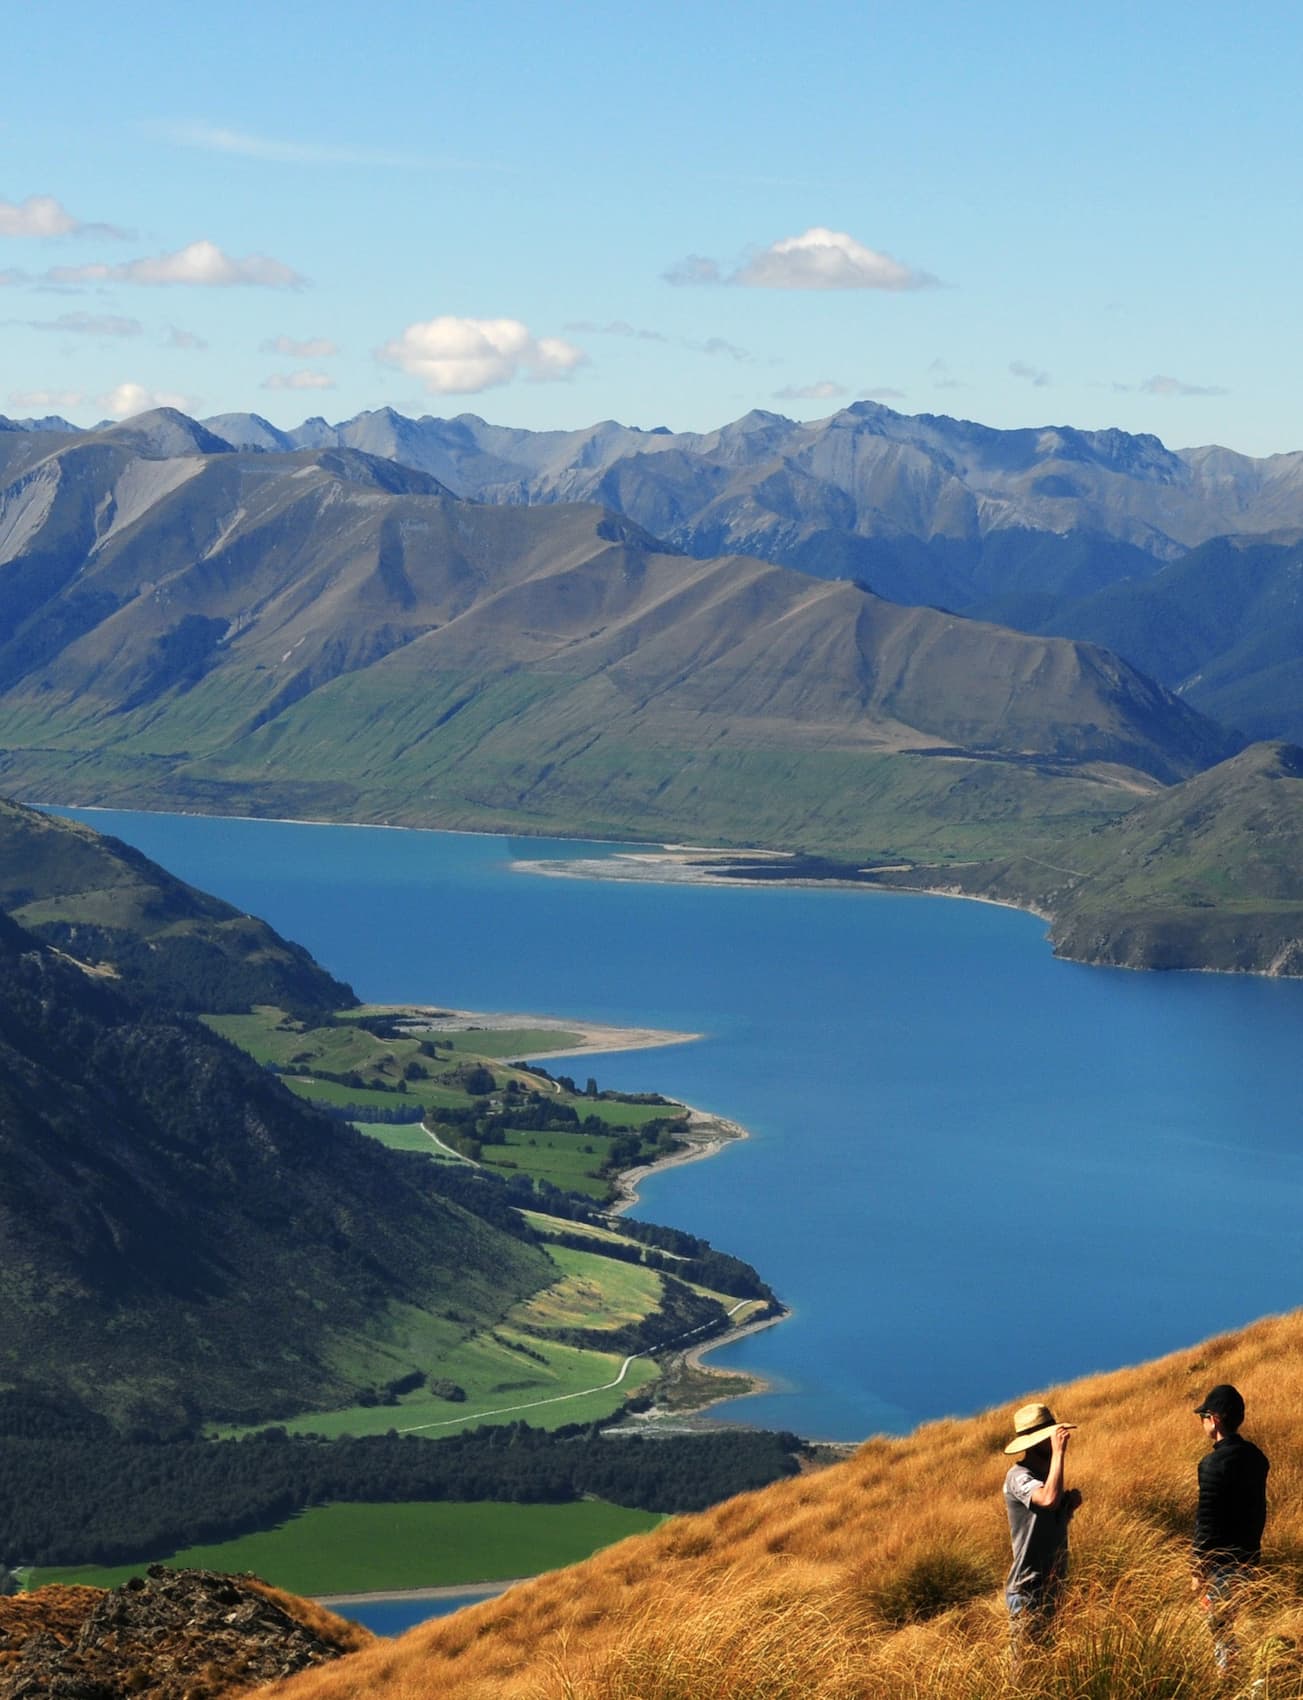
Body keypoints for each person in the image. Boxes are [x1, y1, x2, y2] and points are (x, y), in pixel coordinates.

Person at [1192, 1383, 1269, 1678]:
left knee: (1219, 1625)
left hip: (1221, 1564)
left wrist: (1198, 1569)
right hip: (1250, 1559)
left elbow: (1207, 1520)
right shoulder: (1257, 1458)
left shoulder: (1212, 1464)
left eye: (1203, 1416)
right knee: (1237, 1620)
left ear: (1215, 1418)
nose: (1202, 1422)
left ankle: (1231, 1680)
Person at [1002, 1401, 1082, 1639]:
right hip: (1028, 1590)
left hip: (1052, 1586)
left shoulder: (1045, 1475)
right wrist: (1059, 1453)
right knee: (1027, 1668)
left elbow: (1047, 1521)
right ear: (1037, 1442)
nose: (1055, 1440)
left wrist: (1066, 1509)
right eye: (1050, 1437)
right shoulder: (1019, 1476)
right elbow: (1047, 1500)